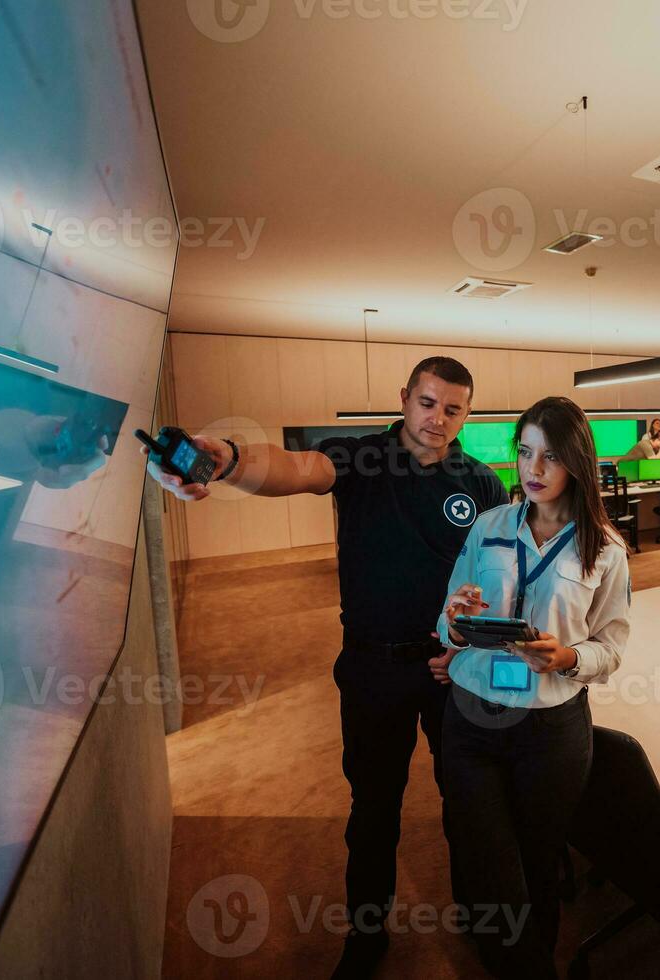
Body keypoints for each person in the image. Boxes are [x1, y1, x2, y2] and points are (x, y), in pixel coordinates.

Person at [146, 356, 506, 979]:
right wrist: (226, 458)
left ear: (467, 413)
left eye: (452, 408)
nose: (437, 418)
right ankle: (367, 937)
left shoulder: (482, 482)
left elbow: (496, 576)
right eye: (427, 402)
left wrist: (471, 645)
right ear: (404, 398)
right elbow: (292, 468)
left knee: (465, 801)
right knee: (373, 811)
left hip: (454, 669)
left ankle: (478, 914)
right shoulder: (361, 458)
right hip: (373, 672)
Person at [433, 396, 630, 978]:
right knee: (488, 859)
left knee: (539, 858)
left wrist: (568, 655)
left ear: (577, 463)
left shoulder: (606, 550)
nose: (533, 470)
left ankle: (532, 957)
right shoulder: (489, 526)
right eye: (524, 453)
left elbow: (611, 647)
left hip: (550, 728)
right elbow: (444, 622)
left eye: (550, 456)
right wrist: (456, 618)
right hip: (471, 717)